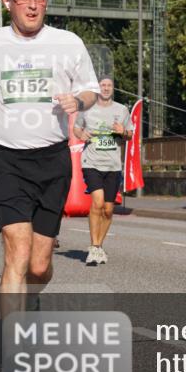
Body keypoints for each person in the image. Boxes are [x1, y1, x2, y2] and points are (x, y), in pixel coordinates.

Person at [0, 0, 99, 312]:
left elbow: (90, 90)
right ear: (6, 1)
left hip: (52, 160)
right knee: (17, 252)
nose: (33, 6)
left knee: (38, 266)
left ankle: (31, 298)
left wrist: (78, 102)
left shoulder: (68, 42)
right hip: (5, 160)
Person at [73, 77, 132, 265]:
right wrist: (81, 134)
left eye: (109, 86)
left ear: (113, 89)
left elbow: (130, 134)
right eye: (102, 86)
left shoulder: (121, 110)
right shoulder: (87, 109)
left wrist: (123, 131)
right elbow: (76, 128)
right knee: (97, 202)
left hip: (113, 165)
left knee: (108, 209)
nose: (105, 88)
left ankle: (99, 245)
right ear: (97, 89)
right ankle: (94, 247)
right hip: (91, 162)